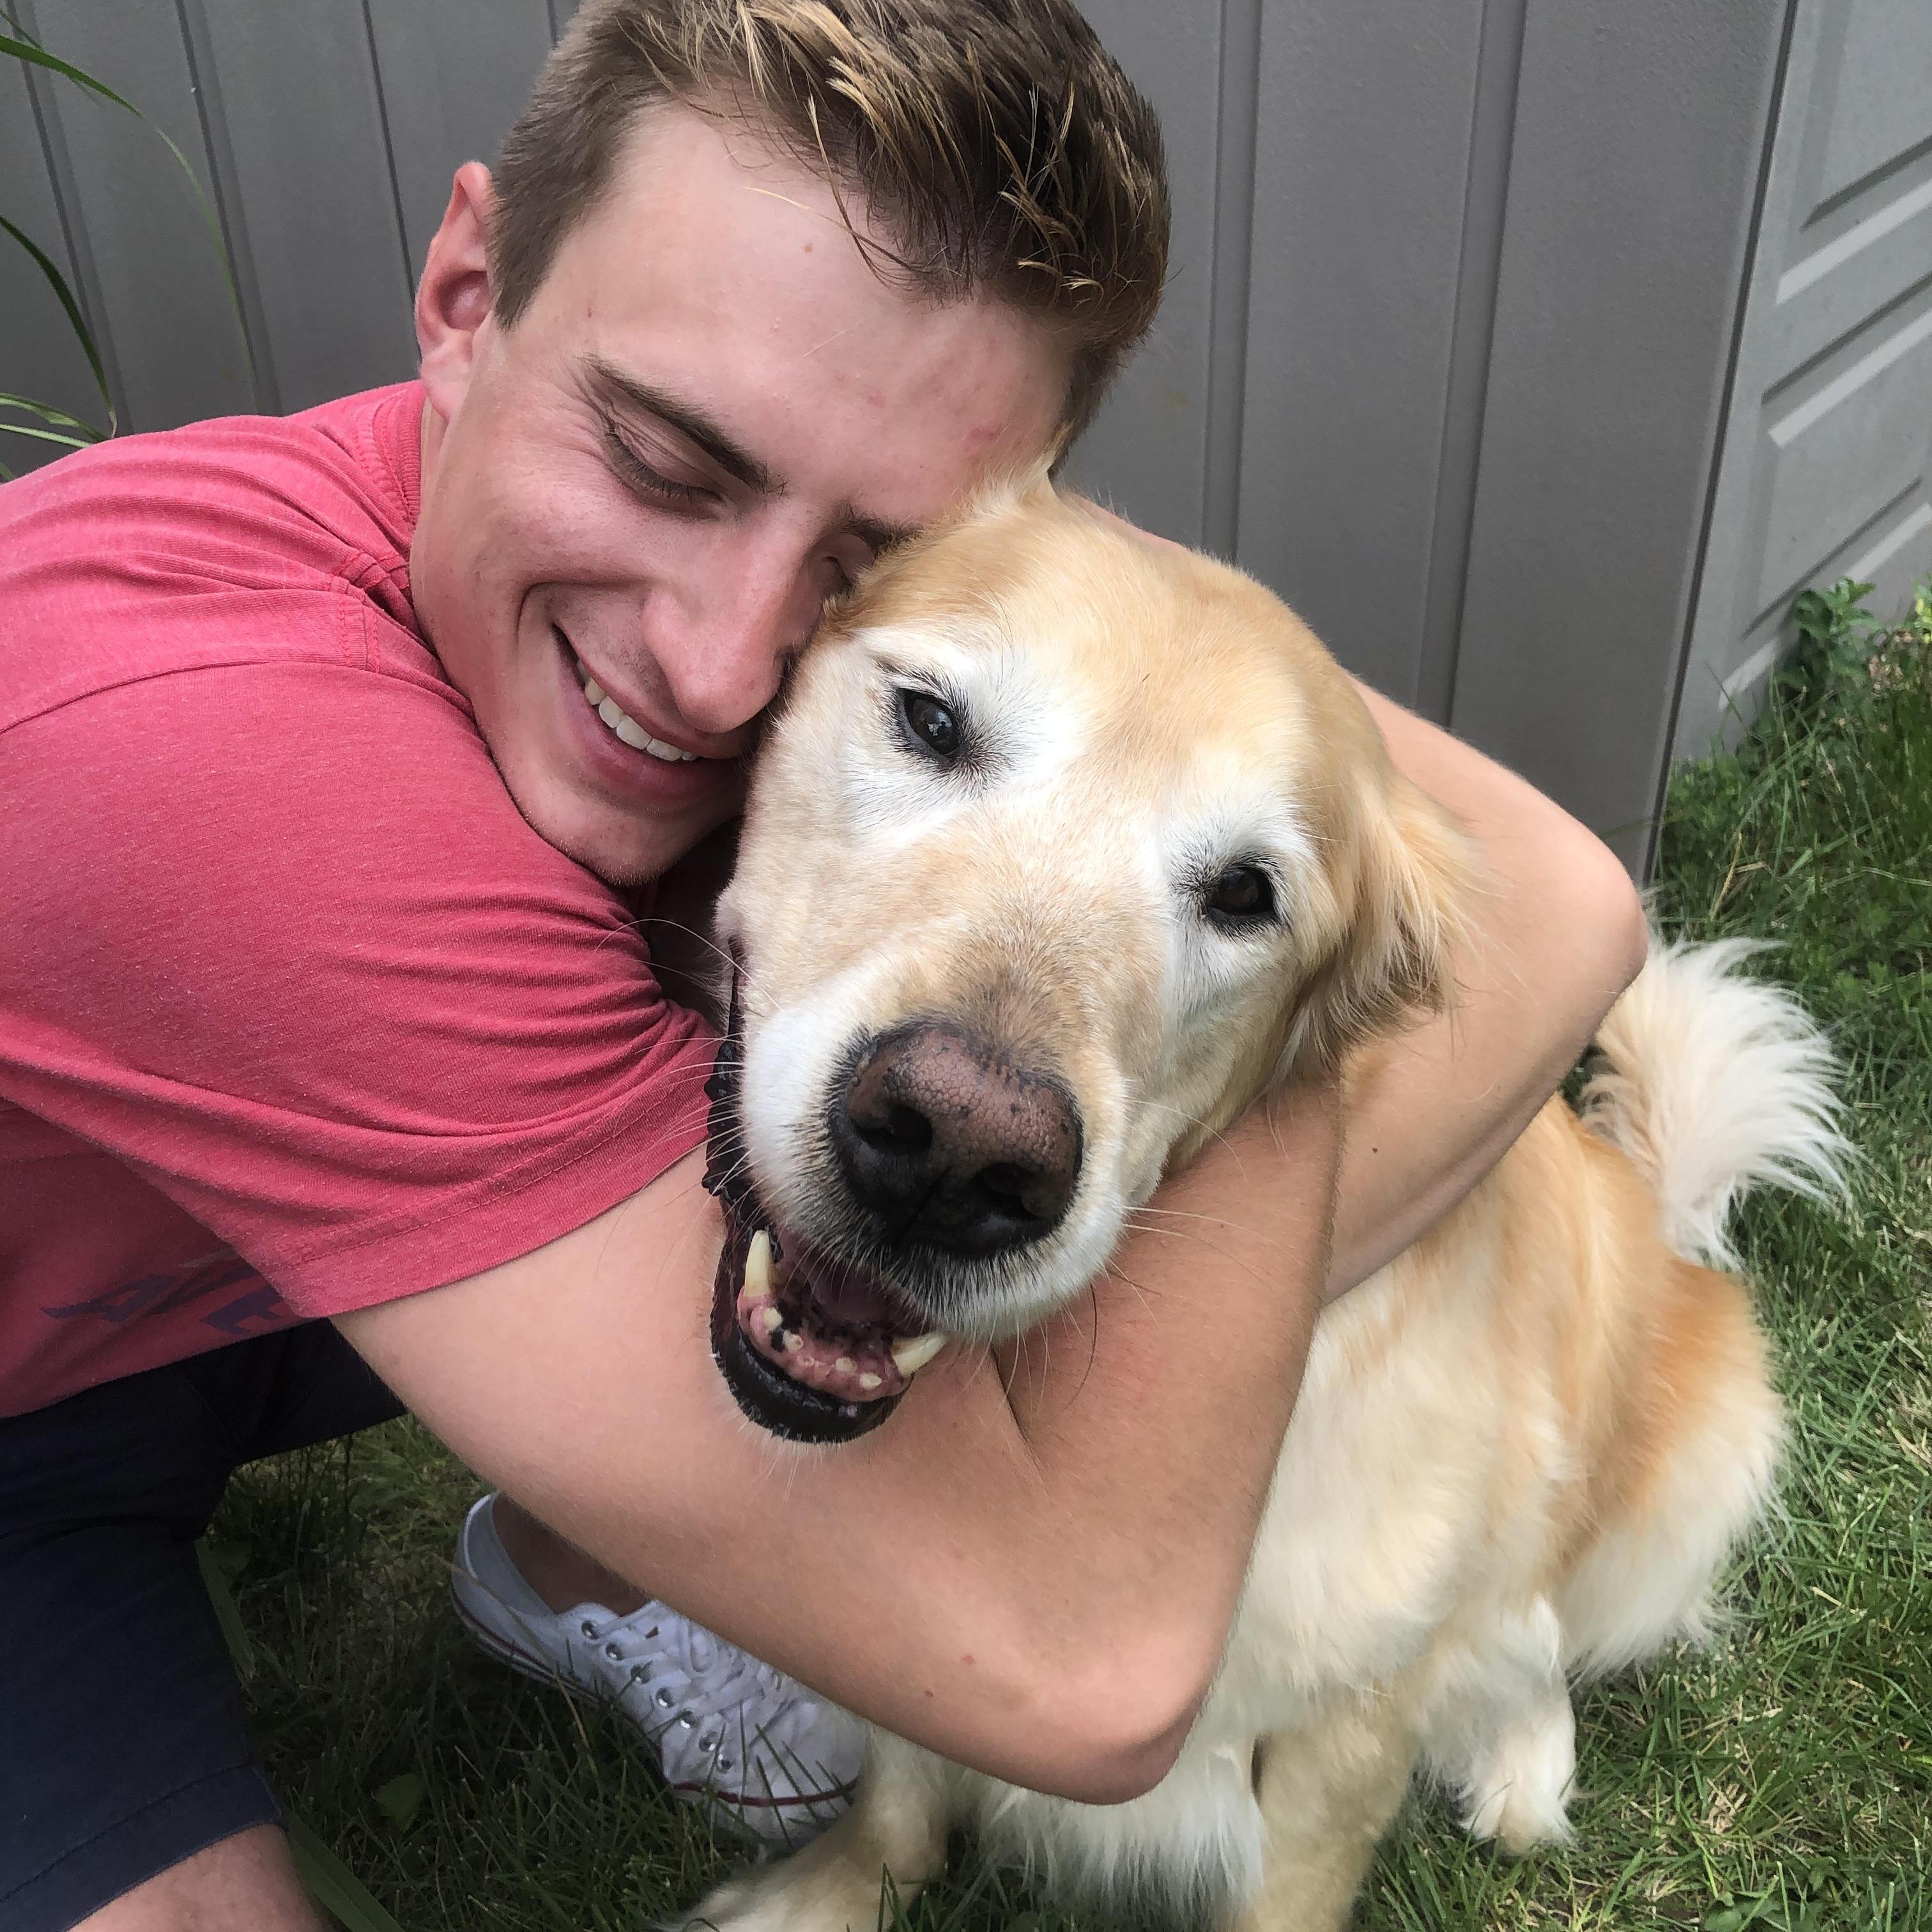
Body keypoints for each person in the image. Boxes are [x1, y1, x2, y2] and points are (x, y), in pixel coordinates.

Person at [0, 2, 1647, 1926]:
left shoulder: (732, 631)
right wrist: (1281, 997)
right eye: (663, 459)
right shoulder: (203, 757)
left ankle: (582, 1542)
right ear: (463, 296)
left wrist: (1244, 879)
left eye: (875, 558)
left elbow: (1571, 905)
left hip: (197, 1292)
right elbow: (1080, 1652)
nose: (719, 674)